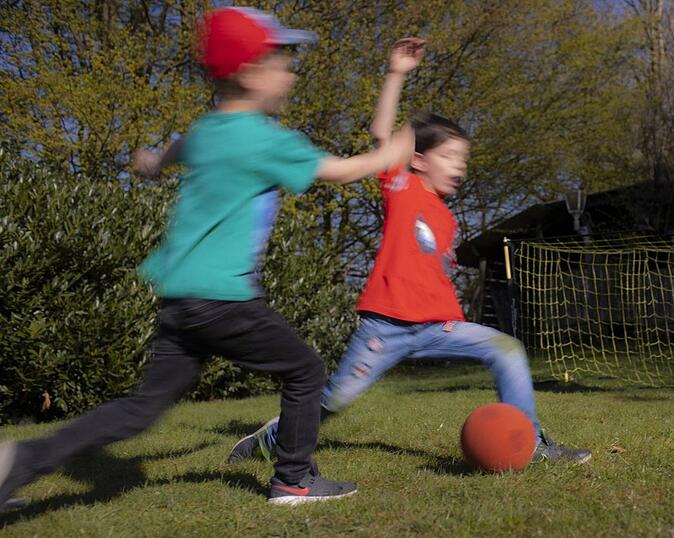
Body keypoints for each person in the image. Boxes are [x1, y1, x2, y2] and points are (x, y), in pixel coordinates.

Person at [0, 6, 413, 507]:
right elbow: (346, 171)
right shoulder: (264, 139)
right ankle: (292, 481)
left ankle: (17, 464)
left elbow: (176, 148)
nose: (291, 74)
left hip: (179, 300)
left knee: (141, 409)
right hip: (223, 298)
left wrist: (153, 163)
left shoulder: (206, 131)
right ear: (249, 73)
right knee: (305, 371)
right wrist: (392, 154)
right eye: (282, 62)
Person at [228, 37, 591, 467]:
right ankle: (271, 439)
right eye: (450, 155)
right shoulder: (402, 187)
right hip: (385, 328)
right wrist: (396, 73)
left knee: (506, 348)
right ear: (417, 159)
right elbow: (383, 134)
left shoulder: (448, 218)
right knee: (335, 400)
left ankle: (531, 444)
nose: (459, 165)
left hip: (440, 327)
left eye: (464, 159)